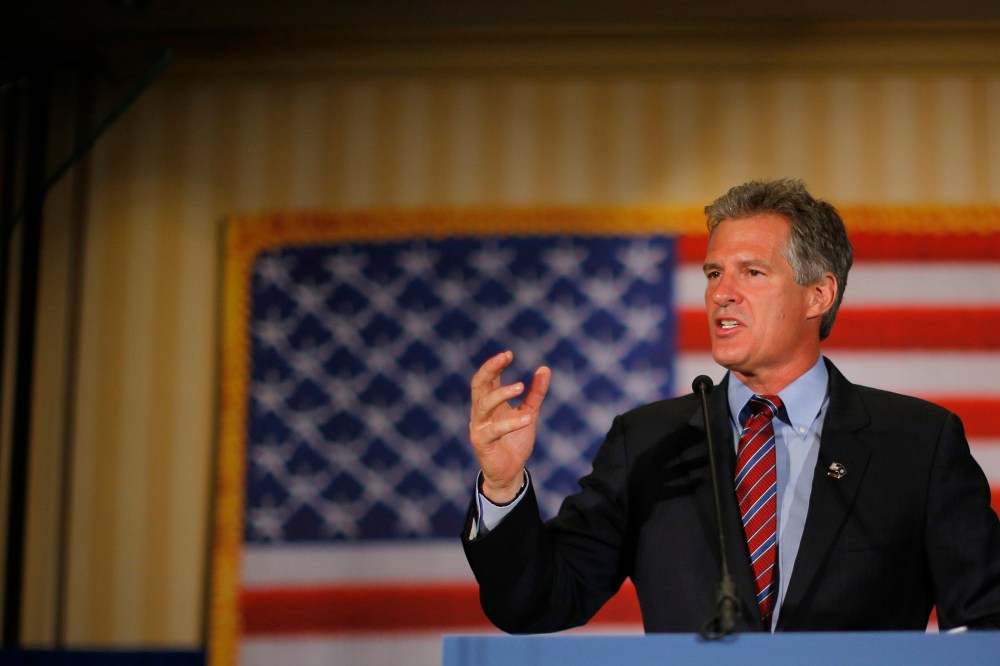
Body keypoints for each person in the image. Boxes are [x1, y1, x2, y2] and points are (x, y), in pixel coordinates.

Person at [462, 178, 1000, 633]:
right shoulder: (648, 441)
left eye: (752, 272)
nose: (722, 293)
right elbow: (538, 602)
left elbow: (986, 620)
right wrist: (502, 487)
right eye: (714, 273)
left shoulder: (916, 445)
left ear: (818, 295)